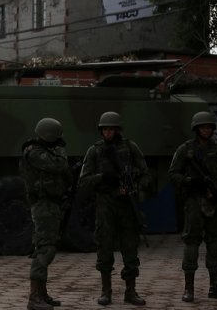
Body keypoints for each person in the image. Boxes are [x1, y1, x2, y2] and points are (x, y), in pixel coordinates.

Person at [78, 111, 150, 306]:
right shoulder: (95, 151)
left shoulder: (130, 147)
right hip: (105, 206)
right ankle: (106, 291)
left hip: (127, 205)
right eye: (105, 129)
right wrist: (103, 178)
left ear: (118, 130)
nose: (108, 133)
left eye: (111, 129)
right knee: (104, 248)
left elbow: (145, 174)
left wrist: (135, 191)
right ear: (101, 131)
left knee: (130, 248)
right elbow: (83, 182)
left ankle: (131, 291)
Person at [168, 111, 217, 302]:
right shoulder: (185, 150)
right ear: (196, 129)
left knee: (215, 244)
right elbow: (173, 174)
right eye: (202, 127)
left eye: (209, 127)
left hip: (214, 203)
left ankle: (215, 287)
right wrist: (191, 182)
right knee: (192, 244)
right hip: (194, 203)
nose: (206, 130)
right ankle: (188, 288)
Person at [19, 118, 73, 310]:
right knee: (45, 249)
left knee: (47, 246)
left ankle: (42, 294)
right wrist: (61, 148)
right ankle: (34, 298)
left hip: (50, 205)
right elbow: (60, 166)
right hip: (43, 205)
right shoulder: (34, 152)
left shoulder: (43, 150)